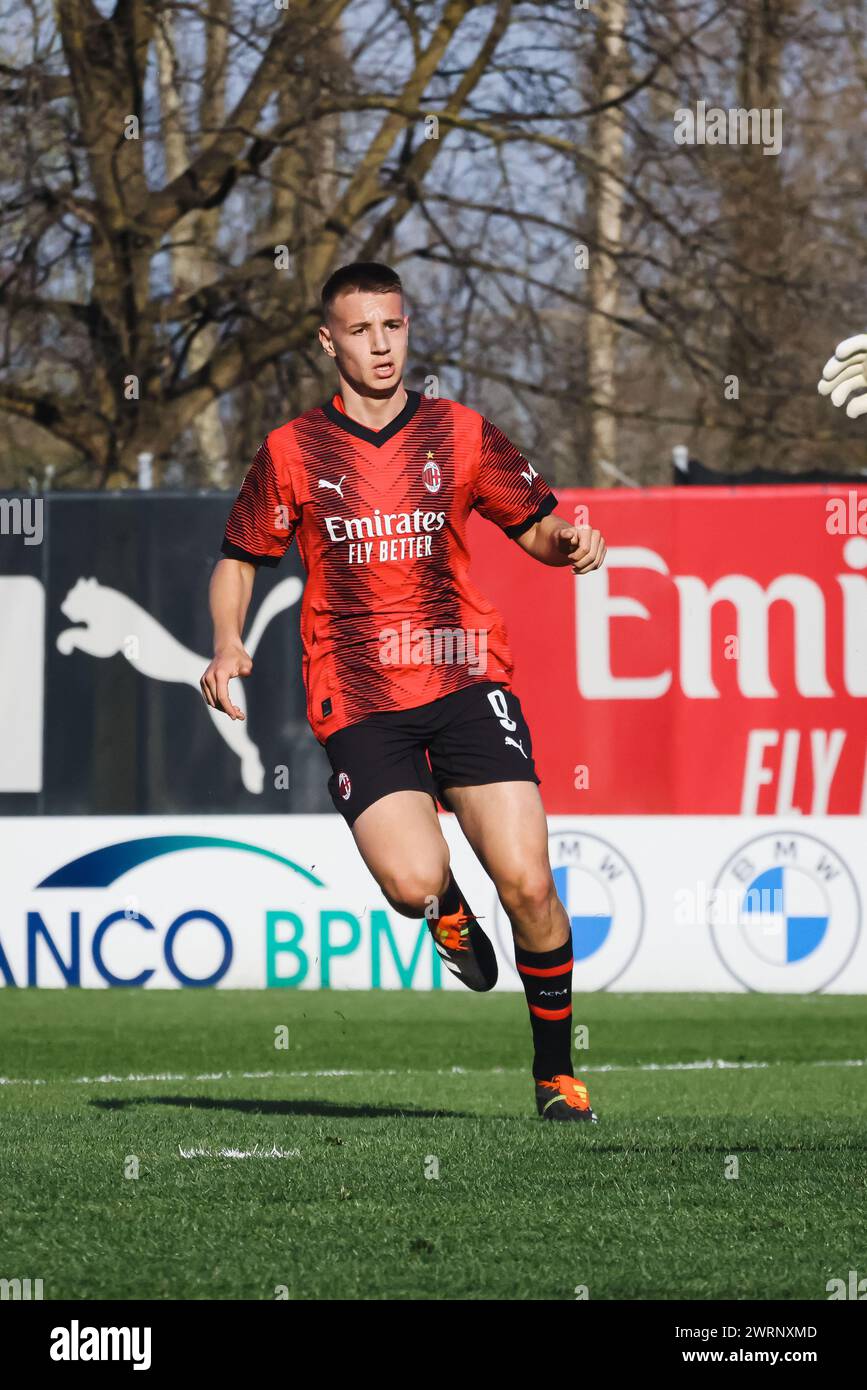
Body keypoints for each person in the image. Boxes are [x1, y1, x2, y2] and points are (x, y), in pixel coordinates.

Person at [201, 262, 607, 1122]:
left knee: (530, 885)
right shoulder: (290, 452)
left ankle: (555, 1075)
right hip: (356, 694)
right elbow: (240, 558)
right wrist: (229, 642)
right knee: (413, 884)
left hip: (464, 672)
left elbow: (534, 525)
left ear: (407, 327)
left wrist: (568, 542)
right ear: (328, 341)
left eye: (392, 326)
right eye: (359, 330)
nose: (380, 346)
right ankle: (448, 915)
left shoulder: (458, 432)